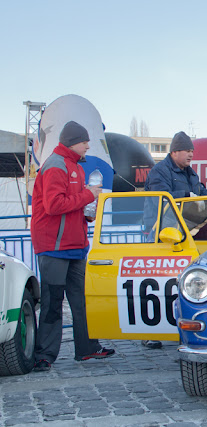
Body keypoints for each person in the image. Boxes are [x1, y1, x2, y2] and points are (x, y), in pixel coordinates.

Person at [31, 121, 115, 371]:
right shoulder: (56, 165)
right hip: (54, 246)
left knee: (81, 299)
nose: (88, 145)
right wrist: (89, 195)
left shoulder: (73, 166)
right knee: (52, 301)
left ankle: (87, 348)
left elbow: (70, 204)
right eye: (84, 141)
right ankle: (44, 355)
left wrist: (87, 213)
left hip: (73, 244)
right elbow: (54, 205)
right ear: (72, 142)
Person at [141, 131, 207, 349]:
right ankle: (150, 332)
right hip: (160, 233)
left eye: (192, 151)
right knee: (158, 279)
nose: (191, 154)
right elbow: (164, 202)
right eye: (187, 151)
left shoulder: (191, 173)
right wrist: (189, 200)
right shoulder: (159, 172)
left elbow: (205, 196)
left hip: (186, 233)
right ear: (174, 152)